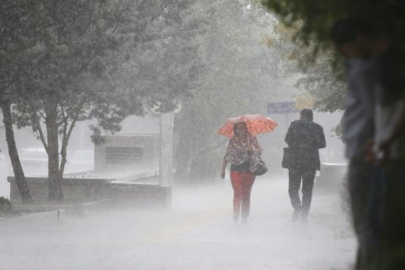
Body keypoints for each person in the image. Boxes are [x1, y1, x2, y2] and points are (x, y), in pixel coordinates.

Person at [330, 17, 405, 269]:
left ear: (358, 39)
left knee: (367, 226)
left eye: (344, 47)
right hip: (374, 149)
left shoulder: (365, 68)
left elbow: (376, 110)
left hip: (367, 153)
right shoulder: (374, 64)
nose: (344, 55)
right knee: (370, 225)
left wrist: (383, 138)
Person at [284, 109, 326, 224]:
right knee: (307, 189)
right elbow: (323, 144)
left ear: (301, 116)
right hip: (310, 162)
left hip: (295, 162)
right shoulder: (317, 127)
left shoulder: (294, 125)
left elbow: (287, 140)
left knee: (293, 188)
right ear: (311, 116)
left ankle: (297, 207)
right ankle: (304, 214)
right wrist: (310, 144)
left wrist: (297, 144)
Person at [221, 122, 263, 223]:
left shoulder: (252, 139)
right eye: (239, 128)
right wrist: (223, 169)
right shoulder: (232, 140)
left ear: (246, 129)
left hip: (249, 169)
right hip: (235, 169)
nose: (241, 130)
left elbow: (259, 151)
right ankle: (236, 214)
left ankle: (245, 217)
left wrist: (251, 149)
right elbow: (227, 155)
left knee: (246, 193)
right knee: (237, 192)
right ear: (235, 130)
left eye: (243, 128)